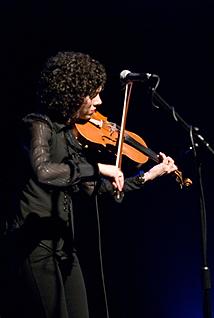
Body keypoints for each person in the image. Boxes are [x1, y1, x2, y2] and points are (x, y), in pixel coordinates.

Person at [1, 51, 178, 318]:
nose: (99, 101)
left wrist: (148, 176)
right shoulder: (36, 125)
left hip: (64, 247)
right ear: (72, 93)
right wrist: (96, 167)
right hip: (32, 245)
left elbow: (95, 189)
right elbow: (43, 171)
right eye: (92, 94)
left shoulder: (72, 133)